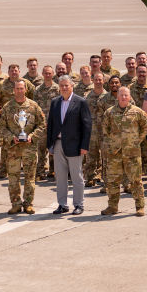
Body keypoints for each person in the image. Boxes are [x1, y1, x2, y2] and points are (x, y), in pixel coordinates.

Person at [46, 75, 92, 215]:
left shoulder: (80, 102)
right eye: (62, 86)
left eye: (67, 85)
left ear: (72, 86)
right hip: (58, 144)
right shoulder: (55, 102)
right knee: (60, 177)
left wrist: (84, 146)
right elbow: (51, 125)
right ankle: (62, 204)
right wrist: (50, 145)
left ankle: (79, 204)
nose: (64, 88)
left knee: (76, 176)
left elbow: (87, 125)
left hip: (75, 145)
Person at [102, 87, 147, 216]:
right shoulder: (109, 112)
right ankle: (112, 206)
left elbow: (146, 126)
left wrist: (137, 140)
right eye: (121, 95)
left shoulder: (137, 112)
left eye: (126, 95)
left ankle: (139, 207)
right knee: (113, 181)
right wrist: (111, 143)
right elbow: (105, 129)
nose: (123, 97)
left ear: (129, 97)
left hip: (132, 153)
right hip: (114, 153)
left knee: (136, 180)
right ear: (117, 97)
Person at [0, 80, 46, 214]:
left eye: (21, 88)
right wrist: (10, 138)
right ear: (13, 90)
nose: (19, 91)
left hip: (29, 148)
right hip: (13, 148)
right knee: (13, 178)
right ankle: (15, 203)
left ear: (25, 89)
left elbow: (42, 124)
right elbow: (1, 127)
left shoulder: (33, 106)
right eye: (17, 88)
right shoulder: (8, 107)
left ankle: (28, 203)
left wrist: (32, 136)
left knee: (30, 177)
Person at [33, 65, 59, 180]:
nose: (47, 75)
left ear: (53, 74)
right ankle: (40, 171)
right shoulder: (38, 89)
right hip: (42, 124)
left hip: (54, 124)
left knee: (54, 148)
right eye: (45, 73)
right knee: (41, 149)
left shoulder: (58, 89)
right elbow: (35, 107)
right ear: (42, 74)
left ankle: (53, 170)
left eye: (49, 73)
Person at [84, 72, 108, 187]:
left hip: (104, 131)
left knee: (105, 156)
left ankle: (105, 178)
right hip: (91, 130)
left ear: (103, 81)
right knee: (91, 155)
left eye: (100, 80)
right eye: (96, 79)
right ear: (92, 80)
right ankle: (90, 177)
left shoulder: (108, 96)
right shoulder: (87, 97)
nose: (98, 82)